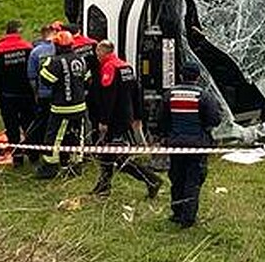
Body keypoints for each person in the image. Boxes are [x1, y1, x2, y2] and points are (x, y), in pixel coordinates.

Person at [91, 40, 162, 198]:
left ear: (106, 52)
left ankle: (151, 179)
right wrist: (138, 115)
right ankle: (103, 185)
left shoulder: (109, 67)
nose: (97, 55)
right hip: (126, 116)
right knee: (106, 154)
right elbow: (136, 92)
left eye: (98, 52)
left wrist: (104, 121)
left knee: (119, 157)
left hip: (115, 119)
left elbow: (109, 98)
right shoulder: (126, 66)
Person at [159, 62, 222, 228]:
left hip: (175, 144)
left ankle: (177, 212)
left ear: (181, 76)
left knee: (177, 178)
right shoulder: (204, 96)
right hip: (197, 144)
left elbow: (162, 120)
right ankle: (188, 217)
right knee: (193, 180)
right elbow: (215, 119)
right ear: (198, 77)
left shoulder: (170, 95)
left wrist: (165, 136)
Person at [36, 30, 90, 179]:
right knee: (77, 136)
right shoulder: (80, 60)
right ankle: (75, 166)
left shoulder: (55, 62)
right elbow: (86, 80)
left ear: (57, 45)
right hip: (80, 105)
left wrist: (44, 66)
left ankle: (49, 167)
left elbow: (46, 81)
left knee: (54, 137)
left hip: (61, 108)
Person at [0, 20, 36, 168]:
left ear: (6, 32)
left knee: (11, 126)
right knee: (29, 123)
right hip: (26, 94)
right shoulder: (28, 47)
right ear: (18, 31)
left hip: (7, 95)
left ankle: (17, 156)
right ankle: (33, 154)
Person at [26, 23, 59, 161]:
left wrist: (36, 93)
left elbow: (32, 77)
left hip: (43, 93)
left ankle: (33, 149)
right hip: (58, 94)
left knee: (41, 121)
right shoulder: (59, 49)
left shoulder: (35, 52)